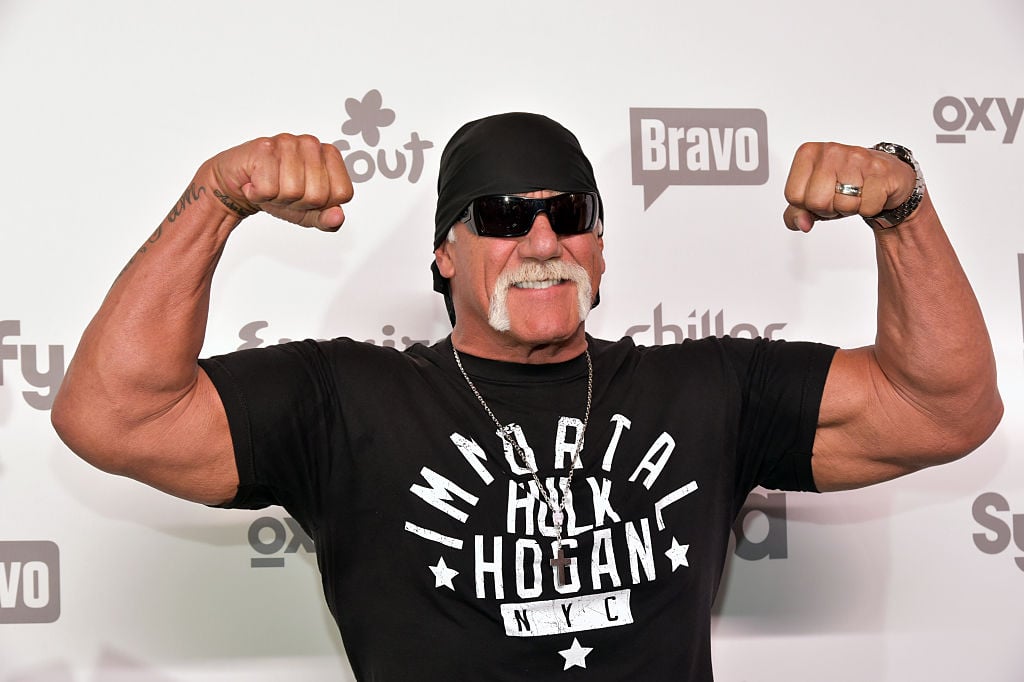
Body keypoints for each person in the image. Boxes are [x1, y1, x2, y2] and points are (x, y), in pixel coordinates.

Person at [51, 112, 1002, 680]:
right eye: (503, 216)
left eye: (569, 213)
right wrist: (215, 201)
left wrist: (903, 212)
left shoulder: (710, 387)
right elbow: (114, 414)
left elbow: (944, 409)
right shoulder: (345, 400)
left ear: (600, 247)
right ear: (445, 253)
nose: (542, 241)